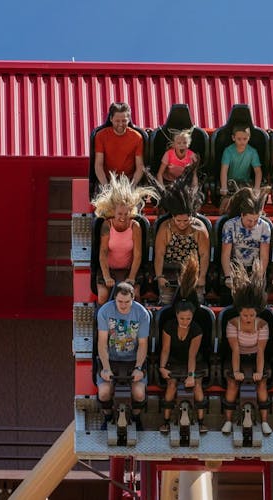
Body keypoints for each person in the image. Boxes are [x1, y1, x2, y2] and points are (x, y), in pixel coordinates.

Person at [221, 260, 273, 436]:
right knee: (232, 384)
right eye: (245, 315)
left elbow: (261, 351)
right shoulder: (232, 324)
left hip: (255, 356)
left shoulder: (263, 325)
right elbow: (235, 350)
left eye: (251, 315)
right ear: (239, 313)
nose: (248, 318)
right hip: (238, 356)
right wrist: (236, 371)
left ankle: (264, 421)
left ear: (256, 313)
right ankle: (228, 421)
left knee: (262, 384)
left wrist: (259, 372)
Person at [158, 255, 208, 434]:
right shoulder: (169, 326)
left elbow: (192, 355)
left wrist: (191, 375)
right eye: (182, 318)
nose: (185, 321)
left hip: (194, 362)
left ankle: (201, 422)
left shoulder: (197, 330)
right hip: (174, 360)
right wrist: (162, 367)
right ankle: (166, 420)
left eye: (188, 318)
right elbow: (165, 349)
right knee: (171, 384)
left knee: (197, 385)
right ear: (176, 315)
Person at [92, 172, 158, 305]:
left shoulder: (135, 226)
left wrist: (131, 277)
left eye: (126, 214)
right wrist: (106, 276)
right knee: (103, 296)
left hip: (128, 270)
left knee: (135, 295)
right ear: (113, 212)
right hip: (109, 270)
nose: (122, 217)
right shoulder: (107, 225)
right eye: (119, 214)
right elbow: (103, 252)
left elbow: (138, 255)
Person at [153, 164, 210, 305]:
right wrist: (159, 276)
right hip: (169, 270)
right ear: (173, 217)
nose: (182, 224)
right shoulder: (165, 228)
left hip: (192, 271)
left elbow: (204, 255)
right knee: (166, 301)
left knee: (197, 301)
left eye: (186, 220)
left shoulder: (199, 230)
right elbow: (159, 254)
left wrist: (202, 276)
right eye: (179, 221)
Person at [97, 282, 150, 431]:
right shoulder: (105, 311)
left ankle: (136, 417)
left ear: (133, 299)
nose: (123, 305)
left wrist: (138, 367)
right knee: (104, 393)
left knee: (139, 394)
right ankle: (108, 417)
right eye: (120, 301)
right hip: (111, 359)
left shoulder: (142, 314)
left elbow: (143, 344)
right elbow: (102, 343)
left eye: (127, 302)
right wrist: (106, 368)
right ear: (115, 298)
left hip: (133, 360)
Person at [220, 187, 271, 305]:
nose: (252, 224)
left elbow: (264, 256)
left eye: (256, 220)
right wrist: (228, 276)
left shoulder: (264, 227)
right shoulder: (230, 226)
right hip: (235, 266)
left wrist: (258, 276)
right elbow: (226, 254)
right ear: (242, 215)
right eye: (249, 220)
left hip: (254, 267)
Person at [94, 102, 145, 188]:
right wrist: (106, 186)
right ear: (111, 119)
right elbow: (98, 165)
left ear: (129, 119)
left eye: (124, 121)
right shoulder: (101, 136)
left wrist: (132, 186)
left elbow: (140, 167)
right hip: (106, 180)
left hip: (129, 181)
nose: (121, 124)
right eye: (117, 121)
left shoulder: (137, 137)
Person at [219, 124, 262, 214]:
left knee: (251, 204)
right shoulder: (228, 151)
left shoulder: (252, 152)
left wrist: (257, 188)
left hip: (245, 183)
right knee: (226, 204)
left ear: (249, 138)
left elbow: (258, 171)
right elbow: (224, 170)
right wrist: (224, 186)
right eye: (239, 139)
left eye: (245, 139)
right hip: (230, 182)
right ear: (233, 138)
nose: (242, 142)